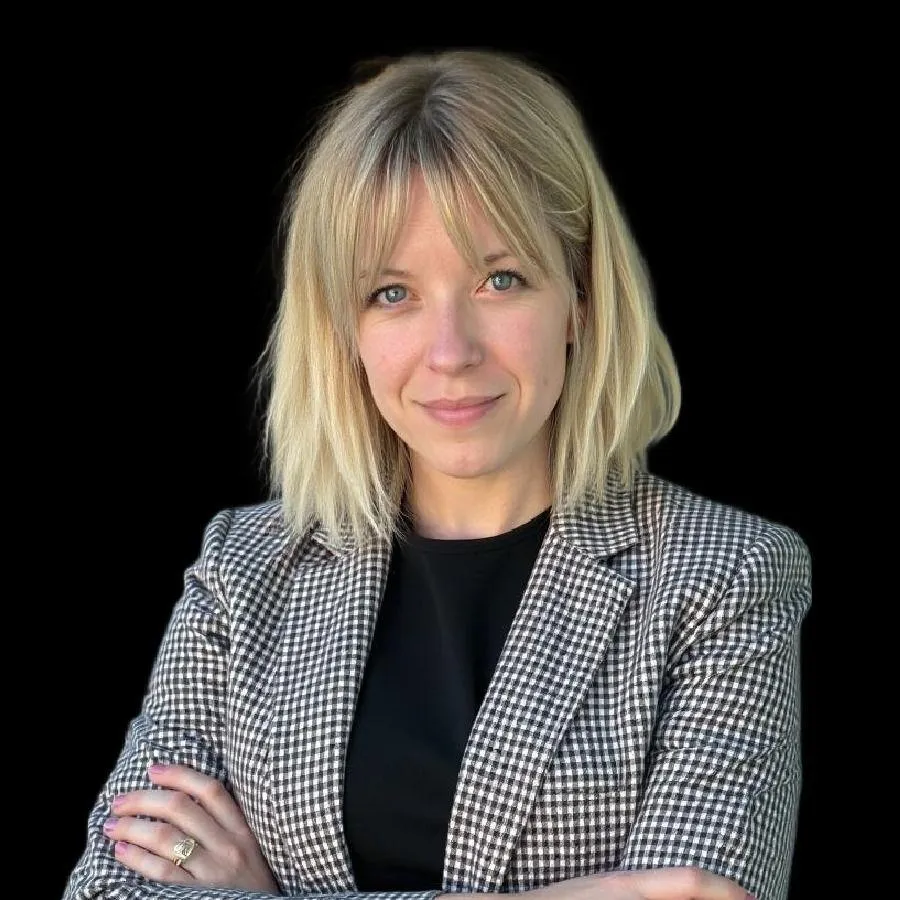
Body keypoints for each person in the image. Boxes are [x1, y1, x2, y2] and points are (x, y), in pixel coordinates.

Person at [63, 47, 811, 900]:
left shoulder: (726, 574)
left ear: (580, 299)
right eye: (392, 293)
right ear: (343, 329)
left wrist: (265, 896)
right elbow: (108, 889)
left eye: (501, 279)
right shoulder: (246, 569)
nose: (451, 352)